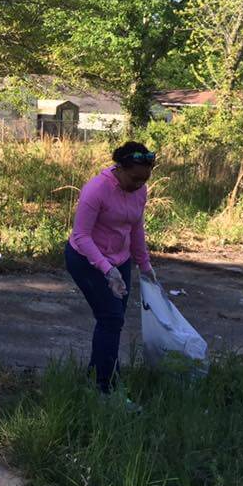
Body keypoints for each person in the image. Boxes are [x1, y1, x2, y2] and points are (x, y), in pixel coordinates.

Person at [65, 141, 157, 394]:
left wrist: (145, 265)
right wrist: (106, 270)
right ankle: (104, 387)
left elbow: (136, 227)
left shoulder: (139, 191)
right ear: (121, 168)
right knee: (111, 318)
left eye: (145, 179)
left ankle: (96, 376)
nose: (139, 185)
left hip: (120, 259)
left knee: (114, 321)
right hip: (85, 259)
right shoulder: (96, 189)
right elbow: (81, 235)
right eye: (135, 178)